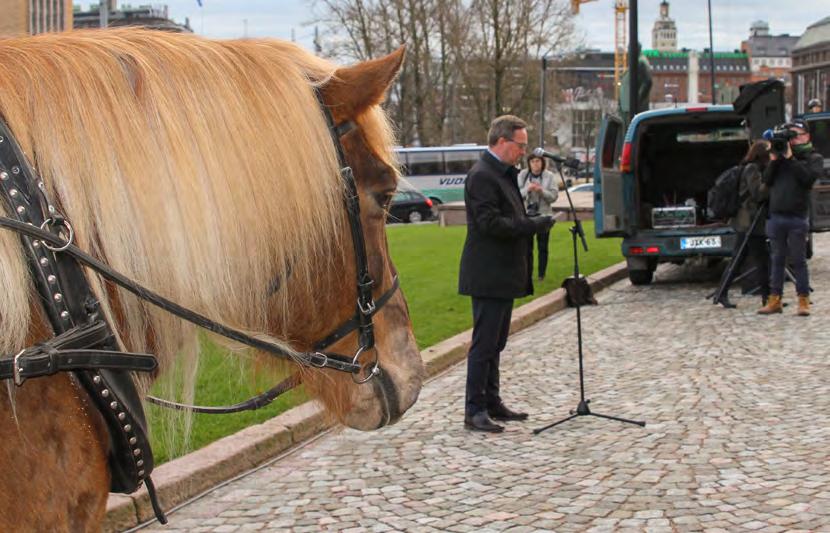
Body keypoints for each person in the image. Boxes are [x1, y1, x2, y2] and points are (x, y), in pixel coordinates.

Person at [458, 115, 554, 433]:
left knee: (497, 343)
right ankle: (474, 410)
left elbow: (511, 214)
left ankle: (492, 401)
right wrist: (533, 225)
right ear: (502, 141)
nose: (523, 152)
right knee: (484, 343)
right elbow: (490, 224)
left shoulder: (503, 174)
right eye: (520, 145)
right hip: (488, 272)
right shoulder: (483, 175)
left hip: (504, 271)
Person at [758, 120, 823, 316]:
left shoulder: (813, 158)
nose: (794, 139)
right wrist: (775, 159)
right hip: (777, 215)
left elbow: (807, 179)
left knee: (798, 260)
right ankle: (774, 299)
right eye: (791, 135)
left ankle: (803, 300)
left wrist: (791, 158)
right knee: (777, 259)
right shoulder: (779, 158)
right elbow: (767, 180)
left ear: (807, 136)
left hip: (797, 216)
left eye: (798, 134)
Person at [715, 140, 770, 308]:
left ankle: (721, 293)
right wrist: (770, 182)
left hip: (748, 222)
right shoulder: (752, 169)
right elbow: (758, 194)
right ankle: (767, 298)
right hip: (749, 222)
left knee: (740, 259)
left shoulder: (752, 168)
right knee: (759, 260)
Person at [518, 154, 559, 281]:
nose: (535, 164)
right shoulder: (523, 175)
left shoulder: (549, 176)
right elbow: (516, 195)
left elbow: (553, 196)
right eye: (532, 161)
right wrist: (528, 189)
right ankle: (527, 274)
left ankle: (541, 274)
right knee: (527, 248)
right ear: (529, 163)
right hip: (527, 216)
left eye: (538, 161)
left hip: (544, 215)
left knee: (543, 247)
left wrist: (541, 190)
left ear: (542, 163)